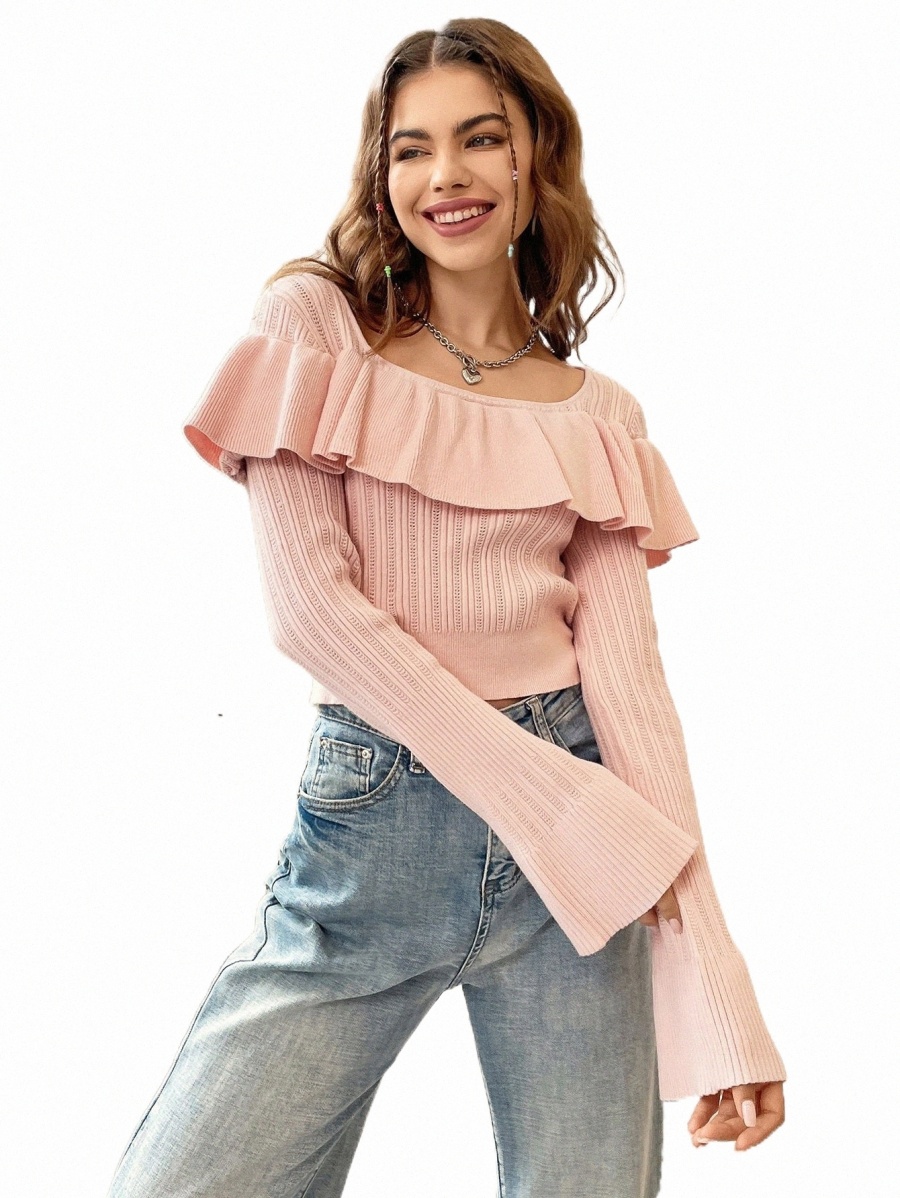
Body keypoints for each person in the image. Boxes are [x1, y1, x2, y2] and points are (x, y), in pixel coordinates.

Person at [106, 17, 786, 1198]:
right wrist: (545, 799)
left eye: (480, 139)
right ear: (381, 174)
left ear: (536, 156)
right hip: (382, 825)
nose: (445, 176)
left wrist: (716, 982)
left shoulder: (600, 413)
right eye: (411, 149)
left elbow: (630, 691)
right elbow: (313, 614)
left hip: (582, 852)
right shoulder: (315, 326)